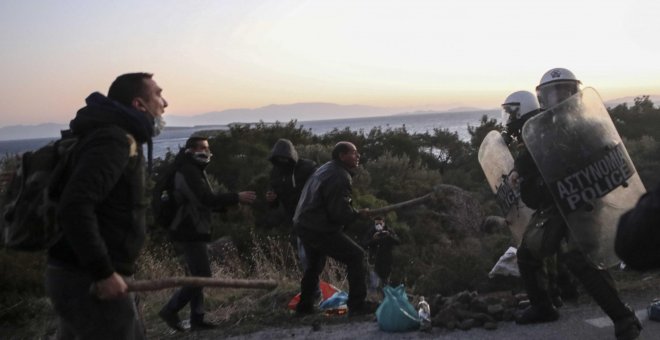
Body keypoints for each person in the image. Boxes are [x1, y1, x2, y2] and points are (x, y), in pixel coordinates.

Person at [511, 68, 641, 340]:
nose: (560, 98)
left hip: (586, 201)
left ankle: (623, 318)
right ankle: (543, 305)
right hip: (555, 204)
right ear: (542, 98)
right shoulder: (538, 136)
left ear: (576, 93)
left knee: (580, 257)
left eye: (566, 91)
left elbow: (612, 163)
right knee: (527, 251)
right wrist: (529, 180)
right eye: (553, 92)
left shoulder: (591, 125)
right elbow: (530, 191)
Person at [45, 72, 167, 339]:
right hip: (87, 278)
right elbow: (75, 206)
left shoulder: (109, 135)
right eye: (158, 93)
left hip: (77, 273)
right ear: (138, 104)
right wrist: (103, 272)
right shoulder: (114, 140)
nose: (164, 102)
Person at [158, 136, 256, 331]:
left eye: (208, 147)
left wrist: (223, 207)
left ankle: (197, 319)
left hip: (193, 227)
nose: (207, 151)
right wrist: (235, 197)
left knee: (197, 274)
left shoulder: (193, 169)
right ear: (191, 150)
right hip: (188, 229)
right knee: (202, 274)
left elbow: (200, 201)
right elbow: (203, 198)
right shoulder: (188, 171)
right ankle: (170, 310)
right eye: (203, 147)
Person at [293, 141, 375, 317]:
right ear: (342, 156)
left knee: (314, 265)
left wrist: (353, 212)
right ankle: (357, 304)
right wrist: (357, 214)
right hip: (318, 227)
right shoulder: (340, 176)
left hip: (304, 224)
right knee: (356, 255)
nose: (358, 155)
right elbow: (339, 213)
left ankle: (304, 307)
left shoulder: (327, 168)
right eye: (354, 152)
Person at [265, 138, 318, 271]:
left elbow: (319, 187)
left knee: (314, 254)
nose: (283, 162)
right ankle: (313, 284)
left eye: (285, 158)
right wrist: (272, 199)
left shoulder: (307, 167)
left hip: (312, 216)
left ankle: (317, 284)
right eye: (279, 159)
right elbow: (274, 192)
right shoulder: (276, 173)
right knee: (304, 254)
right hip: (294, 219)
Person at [361, 216, 400, 290]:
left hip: (386, 260)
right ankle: (372, 296)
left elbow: (398, 241)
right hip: (374, 260)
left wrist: (389, 236)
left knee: (385, 283)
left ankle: (383, 298)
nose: (378, 226)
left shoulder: (389, 231)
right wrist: (374, 239)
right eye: (376, 224)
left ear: (384, 223)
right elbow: (364, 243)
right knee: (374, 282)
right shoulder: (371, 231)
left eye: (380, 224)